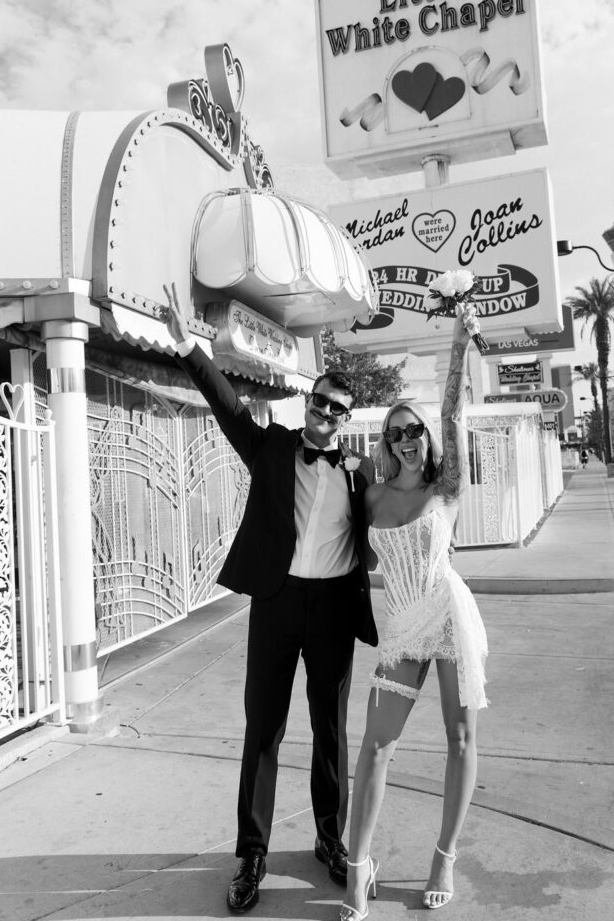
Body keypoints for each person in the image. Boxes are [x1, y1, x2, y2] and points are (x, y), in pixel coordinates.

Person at [162, 283, 378, 914]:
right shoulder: (275, 446)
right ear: (308, 402)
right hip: (277, 606)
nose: (326, 414)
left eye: (338, 410)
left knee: (330, 733)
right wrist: (187, 346)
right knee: (264, 728)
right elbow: (229, 407)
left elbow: (405, 507)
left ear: (346, 418)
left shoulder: (361, 473)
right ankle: (251, 852)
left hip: (334, 609)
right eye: (321, 402)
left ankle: (329, 840)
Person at [340, 304, 488, 921]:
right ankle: (357, 869)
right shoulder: (370, 493)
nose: (406, 439)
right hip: (400, 627)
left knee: (459, 738)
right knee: (375, 747)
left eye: (414, 430)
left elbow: (453, 412)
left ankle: (444, 857)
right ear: (385, 441)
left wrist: (458, 344)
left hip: (448, 619)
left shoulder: (443, 490)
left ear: (425, 438)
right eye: (395, 432)